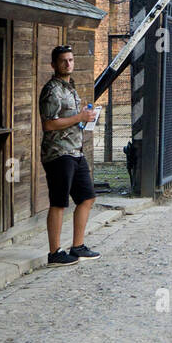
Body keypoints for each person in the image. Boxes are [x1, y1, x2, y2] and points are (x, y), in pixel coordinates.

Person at [39, 45, 101, 267]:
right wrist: (78, 118)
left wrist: (84, 117)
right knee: (59, 202)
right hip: (58, 152)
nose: (68, 64)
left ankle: (78, 245)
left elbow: (70, 118)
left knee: (87, 197)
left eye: (71, 60)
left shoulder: (70, 88)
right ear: (54, 64)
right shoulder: (52, 90)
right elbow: (48, 124)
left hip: (75, 150)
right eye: (64, 61)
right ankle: (54, 252)